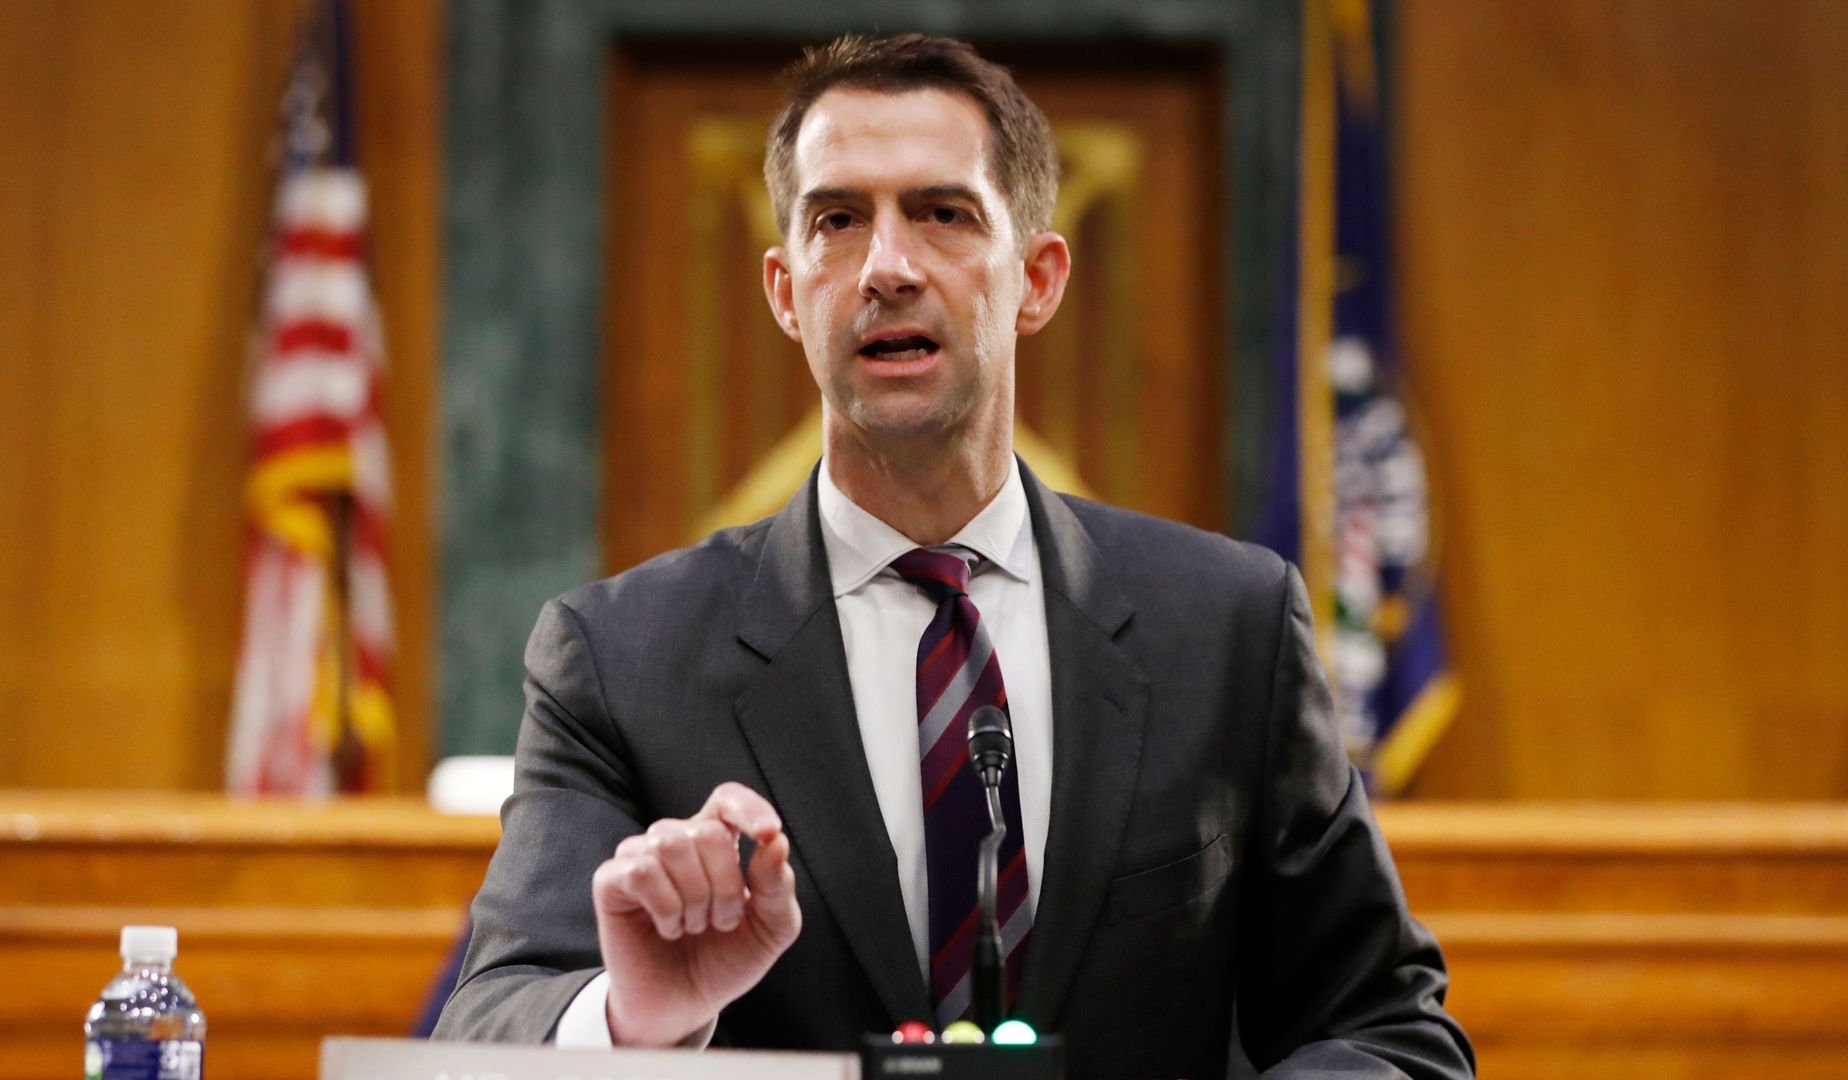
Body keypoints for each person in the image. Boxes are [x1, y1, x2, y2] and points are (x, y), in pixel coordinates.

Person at [434, 33, 1473, 1079]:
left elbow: (1388, 1029)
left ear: (1038, 278)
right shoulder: (618, 657)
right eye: (837, 221)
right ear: (786, 292)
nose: (887, 267)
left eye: (943, 213)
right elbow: (486, 1029)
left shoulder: (1229, 628)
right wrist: (637, 1017)